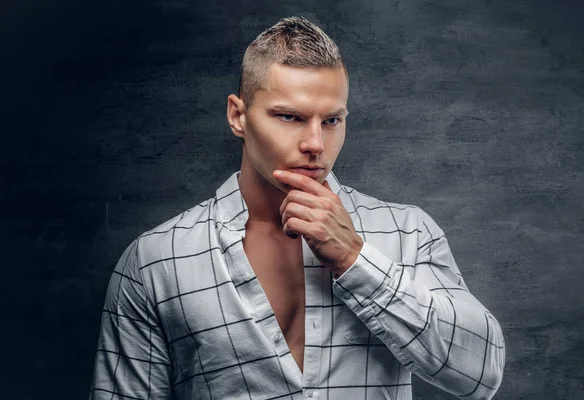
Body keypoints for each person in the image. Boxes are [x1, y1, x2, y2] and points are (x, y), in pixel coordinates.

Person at [90, 16, 505, 400]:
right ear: (238, 115)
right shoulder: (158, 260)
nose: (315, 144)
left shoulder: (408, 231)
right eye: (289, 117)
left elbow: (480, 374)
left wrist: (354, 259)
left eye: (332, 121)